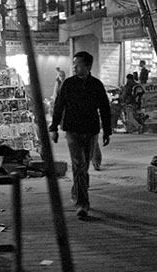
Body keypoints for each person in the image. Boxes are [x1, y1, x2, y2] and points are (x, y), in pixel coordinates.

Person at [48, 51, 112, 219]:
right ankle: (82, 204)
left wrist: (107, 131)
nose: (74, 67)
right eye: (73, 64)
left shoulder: (96, 85)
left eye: (78, 64)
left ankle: (77, 193)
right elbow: (59, 106)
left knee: (83, 168)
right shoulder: (68, 84)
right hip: (72, 131)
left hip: (91, 131)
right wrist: (53, 127)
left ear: (88, 66)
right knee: (79, 165)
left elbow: (105, 109)